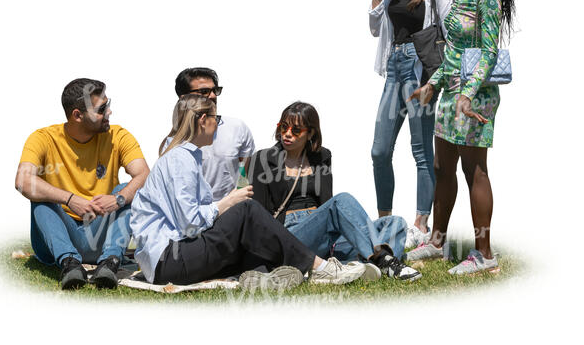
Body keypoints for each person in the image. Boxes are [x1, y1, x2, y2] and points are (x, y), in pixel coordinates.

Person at [131, 95, 367, 290]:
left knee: (243, 221)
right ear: (203, 120)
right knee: (246, 209)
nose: (218, 124)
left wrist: (225, 207)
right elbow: (189, 223)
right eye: (216, 118)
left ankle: (263, 276)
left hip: (172, 258)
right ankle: (319, 268)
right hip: (171, 259)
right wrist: (227, 203)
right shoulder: (179, 160)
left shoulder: (184, 157)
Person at [406, 0, 516, 274]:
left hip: (476, 97)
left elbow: (488, 53)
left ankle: (484, 255)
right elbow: (454, 52)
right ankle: (437, 243)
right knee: (442, 167)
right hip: (452, 92)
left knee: (475, 170)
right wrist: (433, 85)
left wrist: (468, 96)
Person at [249, 101, 422, 282]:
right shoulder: (263, 159)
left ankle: (354, 265)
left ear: (311, 133)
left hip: (323, 230)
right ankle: (385, 262)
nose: (287, 134)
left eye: (296, 130)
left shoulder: (322, 157)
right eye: (283, 127)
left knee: (395, 223)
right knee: (342, 201)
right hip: (290, 235)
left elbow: (326, 203)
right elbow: (259, 215)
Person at [15, 78, 150, 289]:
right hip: (56, 238)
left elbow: (144, 175)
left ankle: (110, 262)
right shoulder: (43, 138)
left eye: (108, 104)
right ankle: (69, 263)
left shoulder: (118, 136)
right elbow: (22, 181)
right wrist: (70, 199)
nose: (109, 112)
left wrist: (117, 199)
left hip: (99, 234)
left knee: (125, 191)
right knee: (40, 197)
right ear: (77, 115)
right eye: (101, 108)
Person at [369, 0, 455, 249]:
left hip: (420, 71)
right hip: (394, 66)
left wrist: (437, 81)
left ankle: (421, 223)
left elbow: (450, 34)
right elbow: (375, 29)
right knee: (379, 150)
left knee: (421, 151)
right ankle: (385, 222)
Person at [174, 67, 255, 201]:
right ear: (184, 98)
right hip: (196, 214)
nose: (212, 96)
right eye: (204, 91)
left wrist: (239, 192)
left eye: (215, 90)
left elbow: (244, 168)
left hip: (233, 209)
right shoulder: (175, 141)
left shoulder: (237, 127)